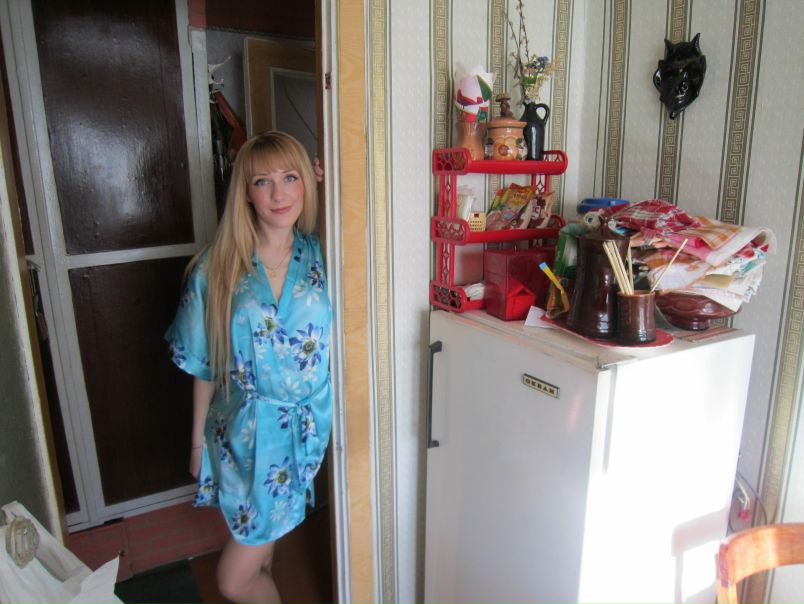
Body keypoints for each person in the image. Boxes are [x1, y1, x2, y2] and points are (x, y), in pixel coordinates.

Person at [165, 131, 332, 604]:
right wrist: (197, 441)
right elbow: (203, 362)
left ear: (308, 183)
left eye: (291, 177)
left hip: (302, 431)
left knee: (235, 577)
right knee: (251, 561)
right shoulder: (216, 266)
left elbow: (370, 232)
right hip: (238, 431)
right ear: (245, 192)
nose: (279, 194)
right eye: (263, 181)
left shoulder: (326, 254)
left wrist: (335, 186)